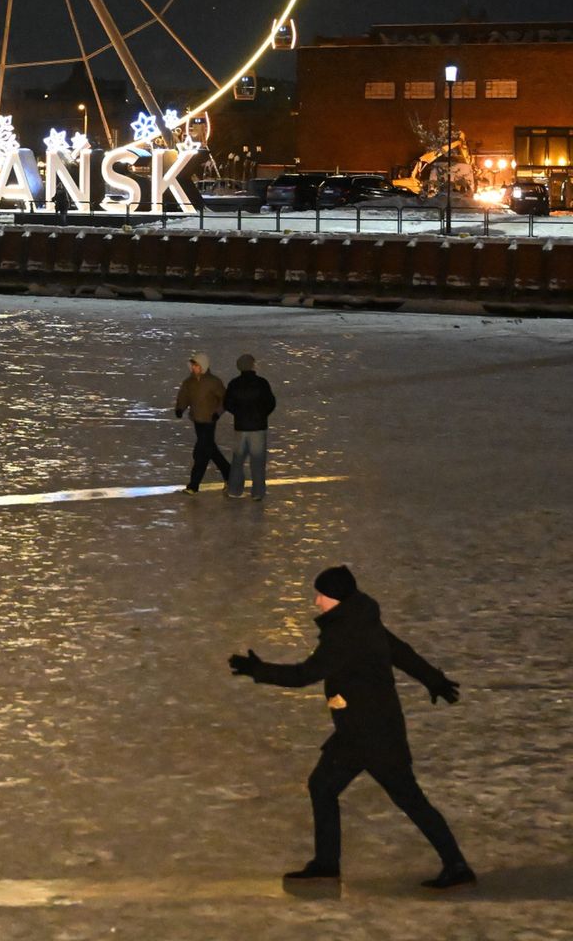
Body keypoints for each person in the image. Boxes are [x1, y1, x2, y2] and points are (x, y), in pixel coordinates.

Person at [228, 566, 476, 890]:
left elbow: (305, 674)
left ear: (337, 598)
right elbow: (400, 652)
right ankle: (327, 865)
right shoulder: (362, 619)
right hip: (364, 730)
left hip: (369, 735)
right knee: (326, 786)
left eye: (321, 595)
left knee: (405, 797)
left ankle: (455, 867)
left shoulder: (345, 634)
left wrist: (259, 670)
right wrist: (434, 680)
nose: (316, 601)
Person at [222, 353, 276, 498]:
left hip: (241, 426)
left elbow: (227, 404)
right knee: (257, 461)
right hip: (258, 427)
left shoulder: (234, 384)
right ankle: (258, 492)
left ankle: (234, 490)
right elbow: (270, 403)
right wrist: (262, 414)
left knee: (238, 460)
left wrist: (239, 414)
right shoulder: (262, 383)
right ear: (252, 365)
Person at [174, 351, 229, 494]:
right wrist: (180, 408)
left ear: (203, 366)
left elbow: (224, 399)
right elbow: (184, 396)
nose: (193, 368)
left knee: (201, 452)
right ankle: (230, 474)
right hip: (197, 420)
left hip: (209, 420)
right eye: (193, 365)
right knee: (210, 449)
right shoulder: (189, 382)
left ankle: (193, 485)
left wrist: (217, 413)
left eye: (196, 365)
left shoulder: (213, 382)